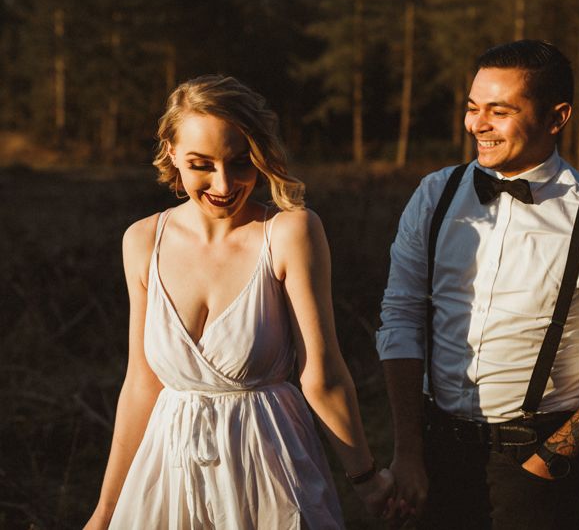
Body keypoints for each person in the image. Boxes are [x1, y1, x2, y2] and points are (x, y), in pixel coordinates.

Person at [85, 75, 393, 529]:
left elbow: (322, 376)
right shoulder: (142, 240)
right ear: (171, 152)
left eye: (240, 162)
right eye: (201, 164)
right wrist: (106, 510)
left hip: (267, 471)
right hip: (167, 473)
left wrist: (366, 479)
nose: (223, 183)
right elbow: (140, 384)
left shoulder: (291, 233)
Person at [376, 40, 579, 529]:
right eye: (472, 108)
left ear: (557, 117)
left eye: (499, 111)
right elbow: (400, 317)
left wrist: (548, 460)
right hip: (432, 451)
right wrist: (408, 452)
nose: (477, 125)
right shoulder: (434, 195)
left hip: (535, 465)